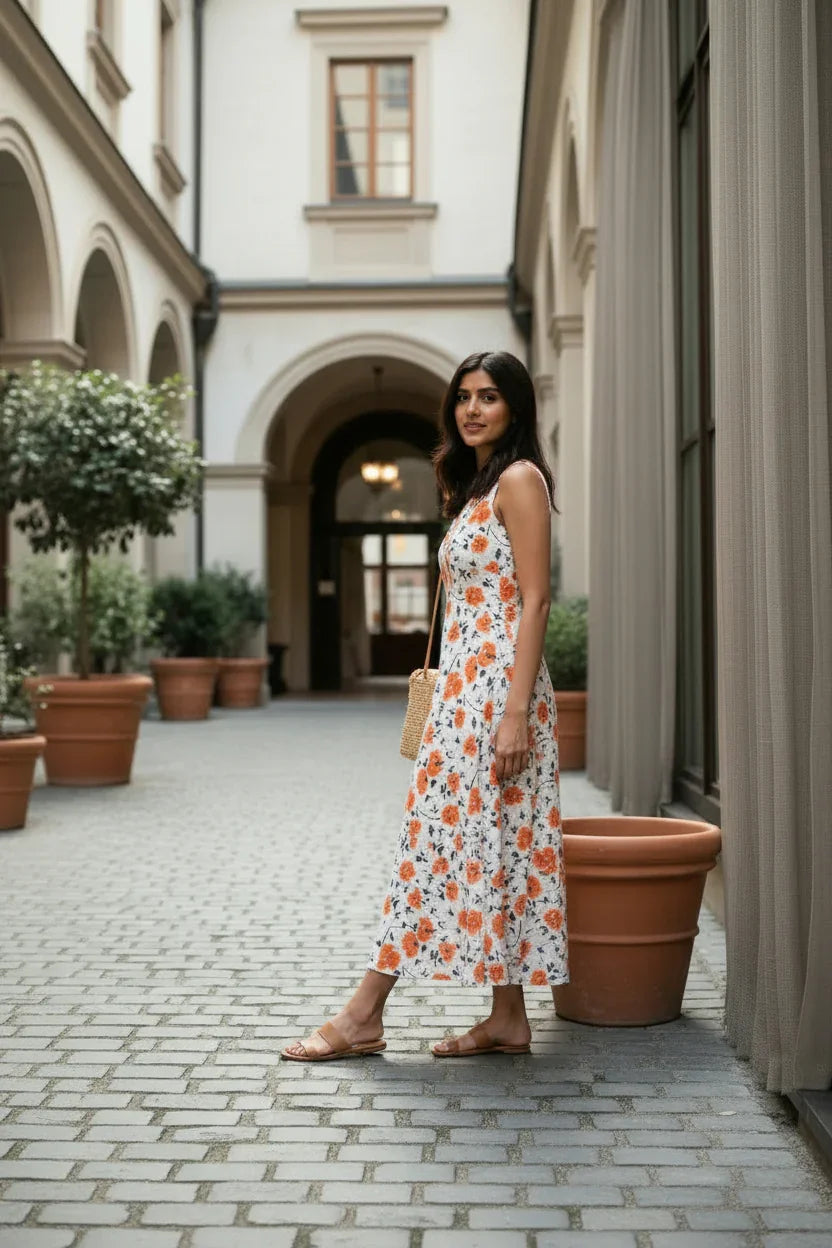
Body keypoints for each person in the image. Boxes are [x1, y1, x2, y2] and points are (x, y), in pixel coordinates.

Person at [282, 350, 568, 1061]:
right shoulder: (480, 486)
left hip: (498, 694)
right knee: (484, 847)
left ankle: (362, 1014)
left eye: (490, 397)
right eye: (464, 397)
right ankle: (508, 1017)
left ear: (516, 408)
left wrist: (512, 712)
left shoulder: (521, 480)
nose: (473, 409)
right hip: (462, 692)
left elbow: (534, 599)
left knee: (431, 847)